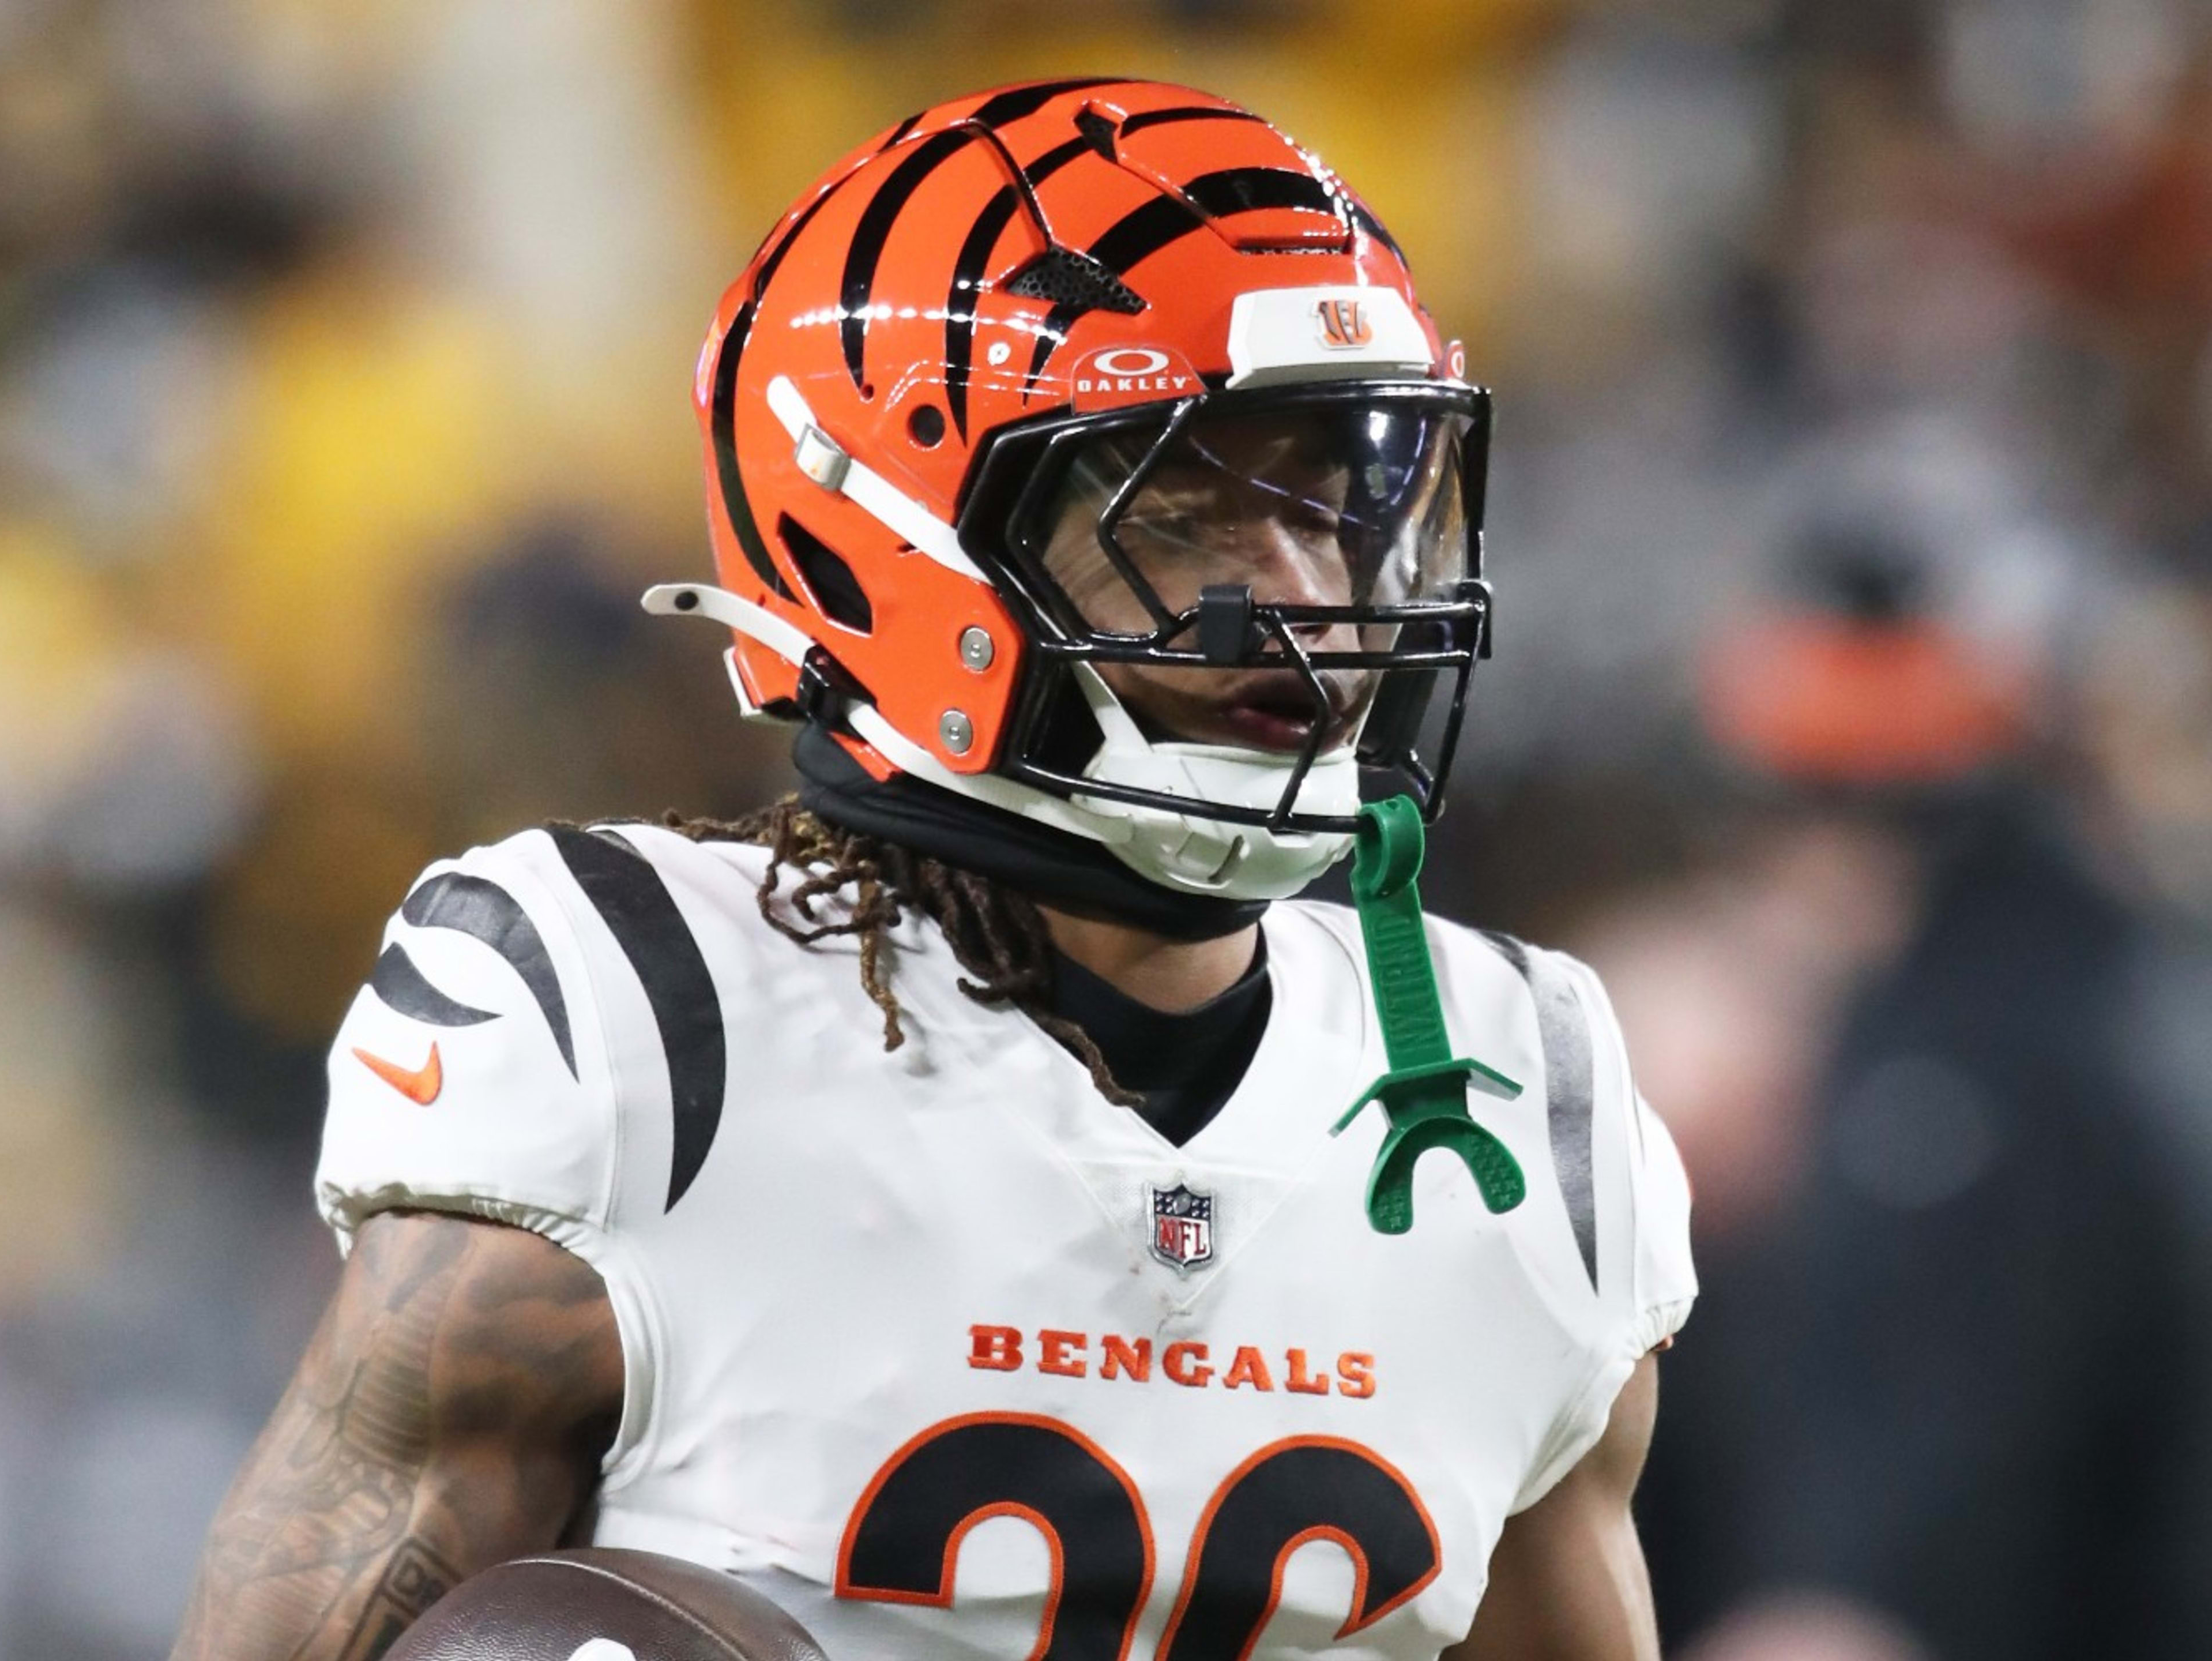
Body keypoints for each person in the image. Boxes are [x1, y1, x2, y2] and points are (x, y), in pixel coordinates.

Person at [171, 78, 1695, 1661]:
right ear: (886, 542)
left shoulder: (1519, 1089)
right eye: (1184, 512)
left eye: (1336, 499)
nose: (1306, 595)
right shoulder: (644, 1024)